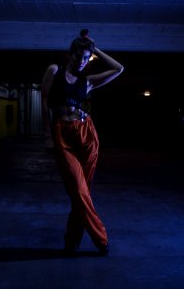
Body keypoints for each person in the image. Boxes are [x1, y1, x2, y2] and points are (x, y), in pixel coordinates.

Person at [41, 29, 124, 256]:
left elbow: (119, 69)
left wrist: (94, 48)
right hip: (62, 134)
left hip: (86, 134)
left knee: (82, 192)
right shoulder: (54, 71)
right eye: (79, 56)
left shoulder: (86, 81)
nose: (82, 61)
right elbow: (45, 100)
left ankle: (71, 241)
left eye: (87, 58)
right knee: (78, 189)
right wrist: (47, 135)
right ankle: (101, 238)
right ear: (70, 55)